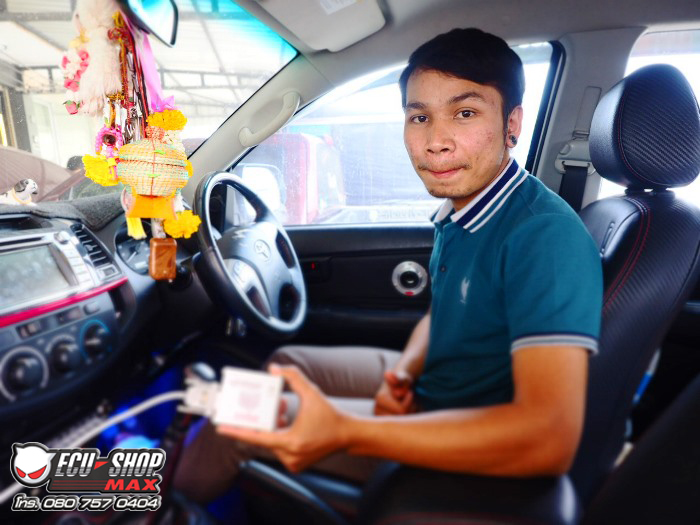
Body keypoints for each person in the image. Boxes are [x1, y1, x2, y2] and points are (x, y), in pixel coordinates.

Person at [174, 27, 603, 502]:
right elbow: (444, 313)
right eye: (420, 117)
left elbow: (547, 439)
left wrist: (348, 430)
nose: (436, 141)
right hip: (436, 384)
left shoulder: (544, 237)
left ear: (512, 124)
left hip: (465, 427)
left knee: (231, 425)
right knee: (284, 365)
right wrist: (406, 373)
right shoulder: (463, 211)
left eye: (465, 113)